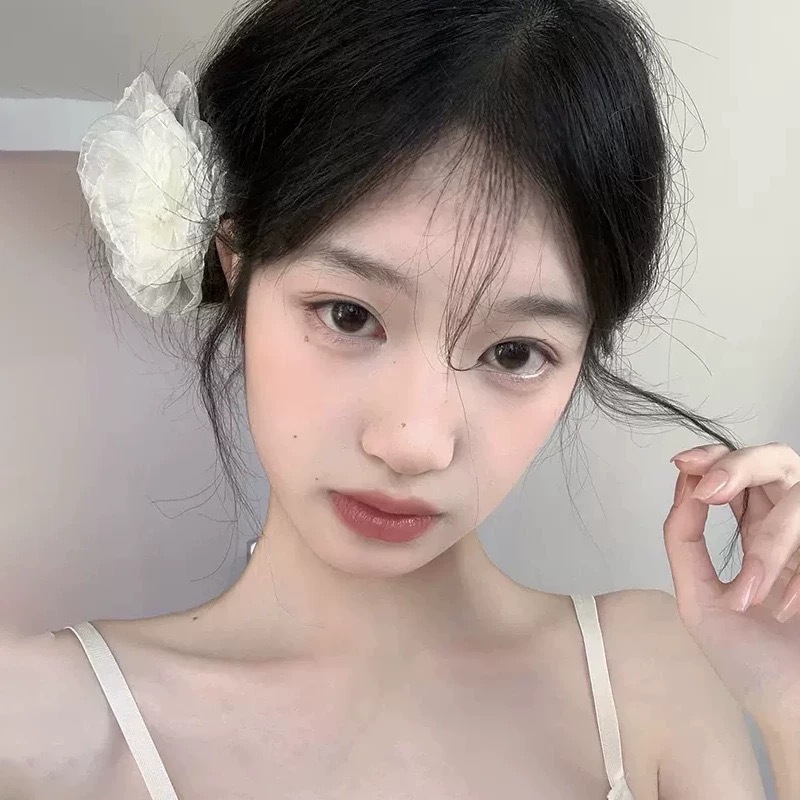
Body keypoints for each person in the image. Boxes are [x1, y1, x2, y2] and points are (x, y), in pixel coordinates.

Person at [2, 0, 799, 798]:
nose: (415, 442)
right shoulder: (47, 729)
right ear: (236, 267)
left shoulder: (651, 679)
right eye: (349, 315)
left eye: (514, 353)